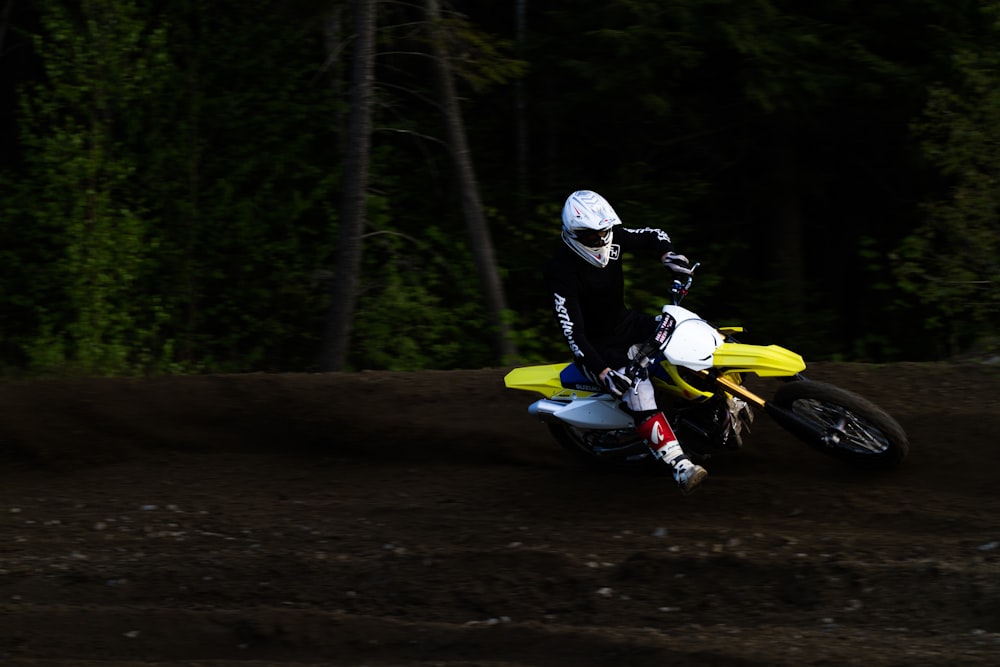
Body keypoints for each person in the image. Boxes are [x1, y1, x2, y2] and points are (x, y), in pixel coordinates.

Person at [544, 189, 708, 494]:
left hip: (627, 323)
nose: (602, 240)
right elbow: (573, 333)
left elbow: (652, 234)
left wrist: (667, 254)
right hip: (600, 346)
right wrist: (603, 372)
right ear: (575, 234)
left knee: (688, 329)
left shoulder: (613, 235)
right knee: (637, 389)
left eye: (605, 232)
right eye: (593, 236)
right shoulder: (561, 269)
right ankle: (680, 467)